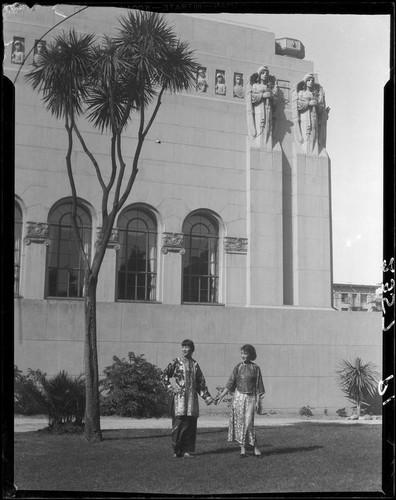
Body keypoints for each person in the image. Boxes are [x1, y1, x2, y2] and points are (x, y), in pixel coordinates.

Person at [163, 339, 214, 458]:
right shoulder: (176, 362)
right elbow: (164, 375)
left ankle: (187, 450)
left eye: (187, 347)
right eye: (183, 347)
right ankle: (176, 451)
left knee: (190, 425)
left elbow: (200, 383)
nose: (184, 349)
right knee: (178, 424)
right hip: (180, 399)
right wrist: (171, 388)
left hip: (192, 400)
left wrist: (207, 397)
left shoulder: (195, 364)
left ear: (192, 349)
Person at [215, 344, 265, 458]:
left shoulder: (256, 368)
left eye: (245, 353)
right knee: (239, 423)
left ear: (251, 354)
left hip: (250, 398)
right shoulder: (238, 367)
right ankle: (242, 449)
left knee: (249, 423)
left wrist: (258, 402)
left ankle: (255, 446)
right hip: (238, 398)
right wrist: (221, 396)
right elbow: (230, 383)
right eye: (242, 353)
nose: (243, 355)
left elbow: (259, 387)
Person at [293, 72, 329, 151]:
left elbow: (319, 109)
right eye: (309, 80)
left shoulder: (314, 95)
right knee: (307, 133)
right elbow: (299, 105)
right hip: (305, 117)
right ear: (305, 82)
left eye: (312, 80)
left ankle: (314, 150)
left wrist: (317, 105)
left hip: (314, 117)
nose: (311, 82)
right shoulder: (302, 93)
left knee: (314, 132)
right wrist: (308, 103)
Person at [246, 65, 278, 142]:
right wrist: (262, 95)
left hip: (268, 110)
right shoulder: (255, 86)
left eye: (266, 73)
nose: (265, 75)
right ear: (259, 75)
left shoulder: (269, 88)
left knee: (268, 125)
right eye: (263, 73)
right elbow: (253, 97)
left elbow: (274, 103)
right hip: (259, 110)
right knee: (261, 124)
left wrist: (272, 97)